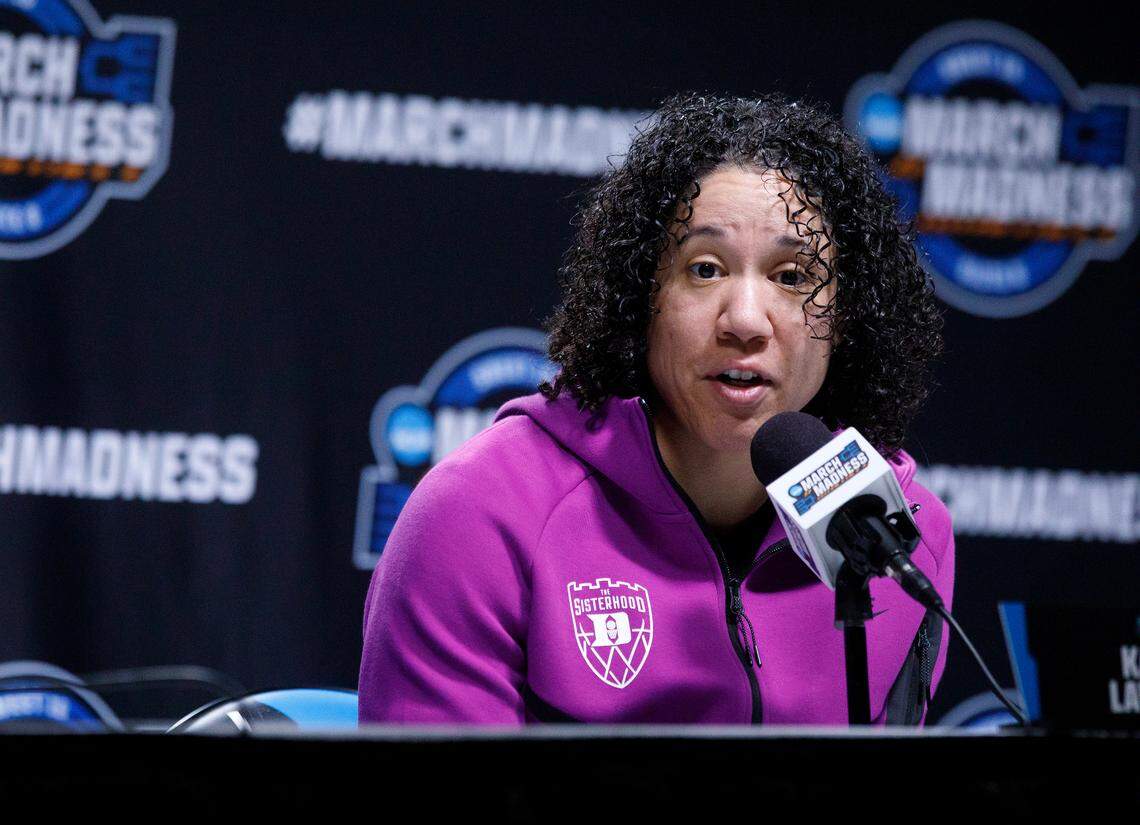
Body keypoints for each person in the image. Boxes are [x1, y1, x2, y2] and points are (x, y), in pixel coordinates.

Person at [359, 93, 953, 724]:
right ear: (641, 296)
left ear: (849, 316)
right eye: (704, 269)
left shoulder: (904, 539)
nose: (747, 321)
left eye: (793, 276)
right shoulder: (482, 514)